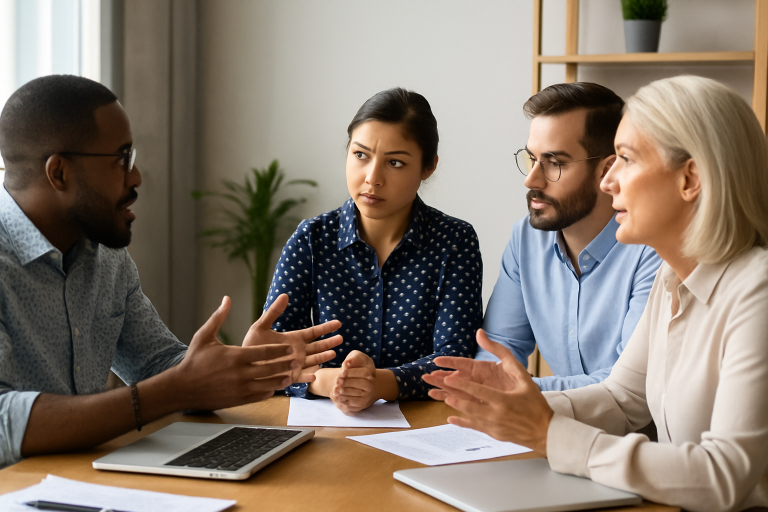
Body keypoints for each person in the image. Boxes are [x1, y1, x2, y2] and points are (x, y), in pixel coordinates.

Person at [424, 76, 768, 511]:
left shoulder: (756, 292)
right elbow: (623, 398)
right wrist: (520, 404)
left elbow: (725, 477)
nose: (609, 182)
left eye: (625, 159)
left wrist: (548, 433)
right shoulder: (674, 280)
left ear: (690, 179)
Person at [0, 75, 342, 469]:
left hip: (83, 482)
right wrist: (172, 391)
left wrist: (246, 364)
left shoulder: (106, 260)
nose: (136, 176)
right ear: (58, 173)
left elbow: (159, 364)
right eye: (120, 159)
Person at [264, 87, 483, 414]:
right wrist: (332, 382)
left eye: (395, 162)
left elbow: (456, 358)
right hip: (322, 426)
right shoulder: (312, 237)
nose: (372, 178)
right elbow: (272, 354)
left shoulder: (455, 241)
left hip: (425, 427)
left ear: (428, 167)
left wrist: (379, 383)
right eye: (361, 155)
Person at [478, 82, 661, 391]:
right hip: (551, 428)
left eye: (555, 164)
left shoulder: (652, 248)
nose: (531, 180)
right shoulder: (526, 238)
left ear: (608, 170)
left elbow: (627, 387)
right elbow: (497, 347)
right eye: (531, 159)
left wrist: (523, 391)